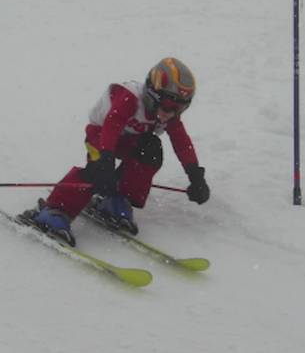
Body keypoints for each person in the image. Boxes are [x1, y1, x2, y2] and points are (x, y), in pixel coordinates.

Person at [23, 57, 210, 246]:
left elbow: (181, 141)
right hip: (101, 136)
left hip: (129, 141)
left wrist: (195, 176)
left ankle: (116, 199)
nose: (171, 113)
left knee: (151, 149)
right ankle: (54, 209)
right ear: (153, 93)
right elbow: (111, 125)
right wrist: (106, 159)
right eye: (169, 105)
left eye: (181, 107)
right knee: (97, 172)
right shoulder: (130, 97)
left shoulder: (168, 116)